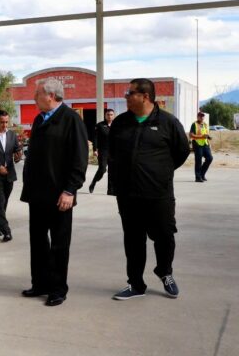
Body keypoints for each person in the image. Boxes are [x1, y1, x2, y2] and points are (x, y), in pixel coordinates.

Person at [109, 78, 190, 300]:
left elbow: (182, 152)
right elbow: (113, 153)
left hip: (159, 194)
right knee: (133, 240)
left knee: (164, 236)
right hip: (129, 195)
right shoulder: (121, 123)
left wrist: (160, 171)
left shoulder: (168, 122)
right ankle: (135, 284)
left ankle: (165, 272)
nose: (126, 96)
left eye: (130, 93)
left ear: (145, 96)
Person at [20, 78, 88, 306]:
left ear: (50, 96)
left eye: (37, 94)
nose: (34, 98)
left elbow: (79, 159)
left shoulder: (71, 120)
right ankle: (40, 283)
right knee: (38, 242)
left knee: (59, 244)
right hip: (37, 195)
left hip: (60, 196)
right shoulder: (40, 119)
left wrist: (70, 190)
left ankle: (58, 289)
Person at [0, 110, 22, 242]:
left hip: (10, 174)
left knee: (4, 202)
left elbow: (16, 150)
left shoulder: (12, 135)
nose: (5, 125)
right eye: (2, 122)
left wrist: (18, 156)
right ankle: (6, 231)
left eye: (7, 122)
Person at [88, 109, 115, 194]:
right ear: (105, 115)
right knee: (102, 169)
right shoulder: (99, 125)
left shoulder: (117, 125)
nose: (109, 116)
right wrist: (95, 149)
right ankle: (93, 183)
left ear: (114, 116)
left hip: (114, 151)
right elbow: (95, 138)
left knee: (112, 171)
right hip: (103, 151)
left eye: (111, 114)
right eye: (108, 114)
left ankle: (110, 190)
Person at [189, 111, 213, 182]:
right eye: (200, 116)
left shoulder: (205, 124)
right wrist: (201, 137)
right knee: (198, 161)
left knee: (210, 158)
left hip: (205, 144)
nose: (202, 117)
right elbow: (191, 135)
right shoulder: (194, 124)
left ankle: (202, 174)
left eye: (203, 116)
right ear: (198, 117)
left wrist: (208, 138)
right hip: (197, 144)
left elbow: (205, 134)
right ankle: (198, 177)